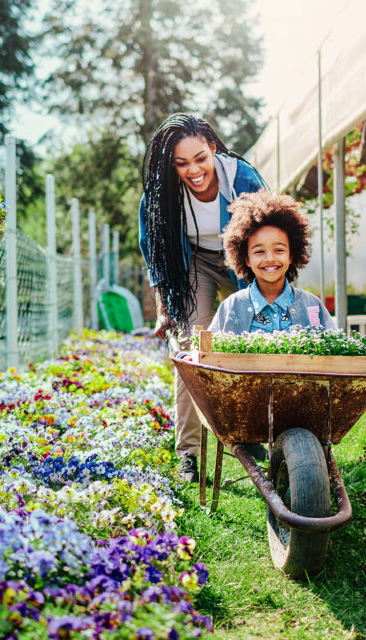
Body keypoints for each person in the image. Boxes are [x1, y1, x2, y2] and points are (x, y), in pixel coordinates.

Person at [139, 113, 266, 482]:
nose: (193, 170)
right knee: (192, 348)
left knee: (255, 337)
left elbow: (269, 234)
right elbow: (156, 254)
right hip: (193, 263)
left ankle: (248, 432)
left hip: (240, 259)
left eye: (200, 159)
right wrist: (165, 310)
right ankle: (188, 454)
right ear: (170, 165)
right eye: (181, 164)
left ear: (213, 148)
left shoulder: (242, 178)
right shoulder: (161, 195)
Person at [209, 190, 334, 334]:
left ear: (291, 255)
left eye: (279, 250)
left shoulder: (312, 305)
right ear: (246, 259)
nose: (270, 258)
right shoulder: (232, 306)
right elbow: (207, 352)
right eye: (259, 251)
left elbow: (336, 349)